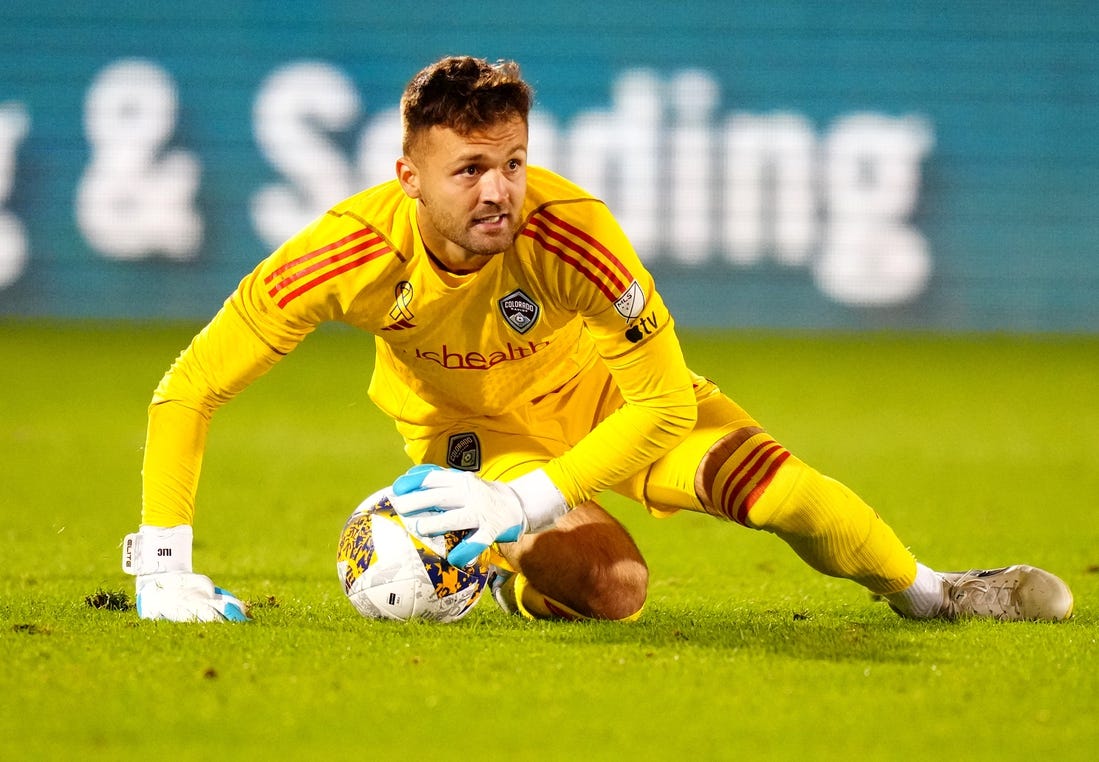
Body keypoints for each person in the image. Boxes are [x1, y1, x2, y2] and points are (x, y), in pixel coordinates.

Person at [121, 55, 1073, 624]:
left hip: (613, 405)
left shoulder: (573, 233)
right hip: (470, 440)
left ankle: (936, 593)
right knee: (616, 589)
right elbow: (191, 386)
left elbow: (661, 400)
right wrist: (162, 566)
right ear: (407, 174)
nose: (496, 191)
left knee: (788, 495)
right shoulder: (349, 252)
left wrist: (537, 497)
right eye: (468, 171)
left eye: (513, 164)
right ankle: (502, 579)